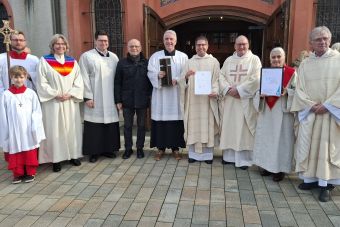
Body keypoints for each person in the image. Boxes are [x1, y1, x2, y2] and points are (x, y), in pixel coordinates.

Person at [291, 26, 340, 202]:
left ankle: (326, 184)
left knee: (326, 150)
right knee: (308, 146)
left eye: (325, 38)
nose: (322, 42)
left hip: (330, 114)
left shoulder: (338, 60)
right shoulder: (305, 63)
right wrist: (310, 105)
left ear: (330, 39)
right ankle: (310, 179)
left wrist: (328, 105)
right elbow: (299, 89)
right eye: (318, 39)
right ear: (311, 42)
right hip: (311, 113)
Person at [36, 34, 84, 172]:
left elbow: (79, 82)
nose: (60, 46)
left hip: (69, 101)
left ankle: (73, 155)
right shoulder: (44, 61)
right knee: (54, 130)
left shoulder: (73, 62)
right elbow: (41, 82)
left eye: (63, 44)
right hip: (53, 102)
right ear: (52, 46)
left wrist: (71, 94)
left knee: (71, 128)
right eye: (57, 43)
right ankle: (55, 158)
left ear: (66, 46)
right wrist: (55, 94)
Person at [253, 47, 296, 181]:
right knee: (266, 139)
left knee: (281, 141)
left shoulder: (292, 73)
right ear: (270, 59)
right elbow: (257, 91)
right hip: (267, 112)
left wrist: (288, 92)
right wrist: (260, 96)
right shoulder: (265, 73)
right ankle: (265, 166)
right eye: (273, 57)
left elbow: (299, 92)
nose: (276, 59)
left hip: (283, 113)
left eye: (279, 57)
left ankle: (280, 169)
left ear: (284, 58)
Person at [219, 35, 261, 170]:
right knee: (230, 128)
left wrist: (240, 90)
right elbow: (221, 76)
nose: (241, 47)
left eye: (244, 44)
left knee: (243, 131)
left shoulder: (254, 60)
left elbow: (257, 78)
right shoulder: (228, 60)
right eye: (239, 44)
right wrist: (227, 89)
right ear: (234, 46)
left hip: (245, 102)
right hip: (231, 101)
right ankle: (229, 157)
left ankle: (244, 160)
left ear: (248, 45)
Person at [79, 30, 120, 163]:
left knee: (110, 124)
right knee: (94, 126)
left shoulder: (114, 57)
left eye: (106, 41)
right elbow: (83, 77)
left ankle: (108, 149)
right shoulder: (87, 56)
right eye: (101, 40)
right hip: (95, 96)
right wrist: (88, 97)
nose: (103, 43)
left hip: (110, 97)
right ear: (95, 41)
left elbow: (118, 79)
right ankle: (93, 152)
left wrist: (118, 98)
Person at [0, 66, 45, 183]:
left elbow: (37, 111)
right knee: (16, 149)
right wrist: (6, 130)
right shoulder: (6, 95)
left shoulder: (31, 93)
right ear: (11, 77)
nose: (18, 80)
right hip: (13, 129)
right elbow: (3, 114)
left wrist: (35, 126)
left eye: (21, 77)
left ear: (25, 77)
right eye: (15, 77)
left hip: (28, 128)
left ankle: (30, 172)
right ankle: (18, 173)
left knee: (29, 149)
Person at [147, 30, 188, 161]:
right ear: (163, 41)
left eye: (171, 39)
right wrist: (157, 75)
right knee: (160, 122)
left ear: (175, 41)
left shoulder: (183, 57)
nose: (169, 41)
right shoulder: (155, 57)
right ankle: (160, 148)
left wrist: (178, 79)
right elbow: (150, 73)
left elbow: (186, 74)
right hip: (161, 96)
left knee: (176, 122)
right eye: (166, 39)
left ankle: (175, 149)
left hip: (175, 94)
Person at [179, 35, 220, 164]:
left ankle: (208, 156)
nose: (201, 47)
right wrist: (186, 76)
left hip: (207, 102)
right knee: (193, 126)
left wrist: (214, 91)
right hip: (193, 102)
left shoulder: (214, 62)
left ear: (207, 46)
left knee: (207, 127)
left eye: (203, 45)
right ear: (195, 47)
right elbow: (182, 80)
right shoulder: (189, 62)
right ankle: (193, 155)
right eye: (198, 45)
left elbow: (218, 80)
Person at [114, 39, 152, 159]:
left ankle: (140, 148)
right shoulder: (122, 63)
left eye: (136, 46)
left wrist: (150, 97)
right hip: (127, 100)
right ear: (128, 48)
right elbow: (117, 83)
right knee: (127, 126)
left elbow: (151, 82)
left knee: (141, 126)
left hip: (142, 99)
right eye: (131, 46)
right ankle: (128, 149)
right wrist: (118, 100)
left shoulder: (147, 63)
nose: (134, 48)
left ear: (140, 48)